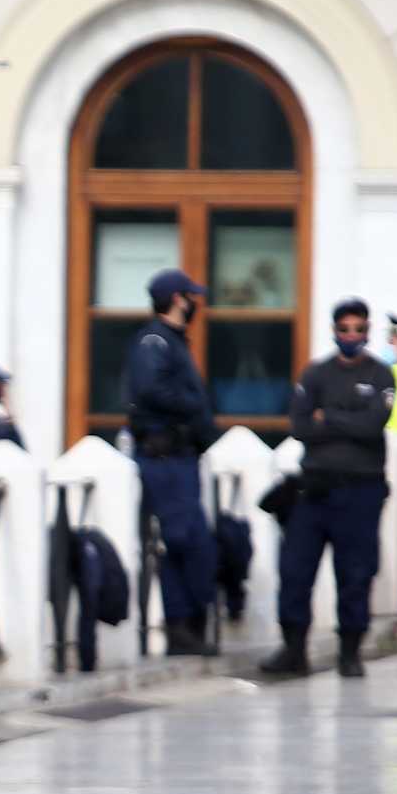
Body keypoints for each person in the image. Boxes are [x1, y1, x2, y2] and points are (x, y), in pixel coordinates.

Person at [263, 298, 396, 679]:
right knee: (296, 569)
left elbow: (373, 426)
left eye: (358, 329)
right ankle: (293, 649)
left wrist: (330, 417)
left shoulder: (381, 375)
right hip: (315, 489)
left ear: (367, 332)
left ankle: (350, 652)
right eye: (344, 329)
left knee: (355, 573)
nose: (351, 336)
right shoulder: (316, 374)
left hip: (361, 489)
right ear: (334, 331)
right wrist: (347, 420)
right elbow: (301, 427)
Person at [124, 269, 221, 656]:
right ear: (178, 299)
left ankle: (193, 622)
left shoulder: (173, 342)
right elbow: (150, 392)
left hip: (182, 457)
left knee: (193, 541)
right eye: (190, 296)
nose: (195, 302)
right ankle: (181, 625)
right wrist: (193, 406)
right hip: (164, 458)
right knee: (181, 540)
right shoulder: (155, 341)